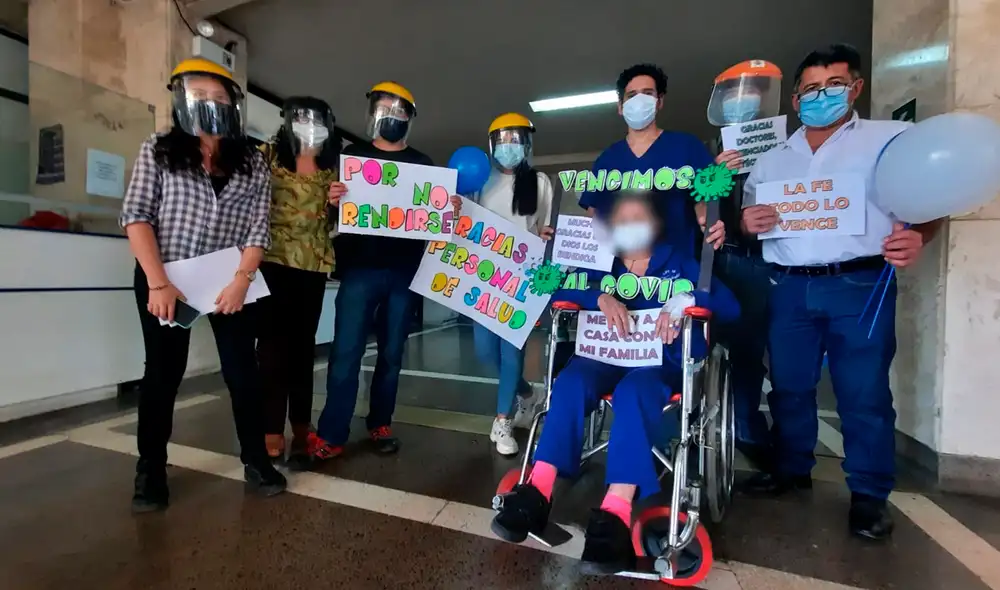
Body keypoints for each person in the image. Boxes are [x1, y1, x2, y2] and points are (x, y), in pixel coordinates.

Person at [739, 44, 942, 540]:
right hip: (788, 287)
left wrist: (922, 234)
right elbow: (748, 220)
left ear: (855, 88)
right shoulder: (770, 160)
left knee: (863, 392)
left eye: (832, 85)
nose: (820, 96)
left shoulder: (891, 140)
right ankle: (792, 470)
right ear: (794, 99)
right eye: (810, 88)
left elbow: (932, 198)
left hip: (860, 283)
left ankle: (870, 496)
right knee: (788, 386)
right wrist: (747, 222)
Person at [491, 191, 739, 574]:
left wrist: (686, 298)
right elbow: (553, 287)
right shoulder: (599, 261)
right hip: (603, 356)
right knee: (570, 382)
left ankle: (617, 511)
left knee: (633, 393)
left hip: (657, 364)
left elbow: (731, 306)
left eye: (638, 218)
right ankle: (538, 489)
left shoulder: (679, 261)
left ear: (656, 224)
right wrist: (599, 296)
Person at [119, 58, 286, 512]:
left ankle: (256, 460)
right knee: (163, 374)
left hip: (229, 279)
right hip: (164, 279)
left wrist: (241, 281)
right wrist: (158, 283)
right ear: (182, 103)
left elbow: (258, 230)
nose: (211, 106)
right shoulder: (157, 150)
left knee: (241, 371)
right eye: (200, 98)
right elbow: (136, 218)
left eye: (219, 98)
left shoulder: (252, 163)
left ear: (234, 105)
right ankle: (150, 470)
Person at [314, 82, 445, 459]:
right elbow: (332, 218)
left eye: (400, 110)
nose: (392, 116)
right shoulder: (352, 157)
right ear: (373, 112)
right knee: (346, 351)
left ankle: (380, 423)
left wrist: (446, 208)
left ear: (410, 119)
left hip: (405, 272)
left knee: (392, 352)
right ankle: (332, 433)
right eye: (384, 108)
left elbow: (433, 219)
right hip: (359, 270)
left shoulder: (423, 166)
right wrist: (332, 201)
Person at [707, 60, 785, 470]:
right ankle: (703, 428)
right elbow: (699, 209)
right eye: (735, 95)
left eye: (753, 93)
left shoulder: (781, 149)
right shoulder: (708, 153)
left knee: (753, 354)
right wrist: (717, 174)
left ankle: (748, 428)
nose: (744, 102)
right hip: (716, 261)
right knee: (705, 349)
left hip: (763, 263)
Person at [256, 96, 339, 466]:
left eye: (317, 119)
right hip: (270, 261)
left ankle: (302, 429)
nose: (309, 125)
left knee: (303, 349)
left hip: (313, 264)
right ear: (287, 122)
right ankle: (270, 428)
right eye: (301, 118)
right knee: (272, 349)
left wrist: (341, 204)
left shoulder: (335, 168)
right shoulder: (266, 156)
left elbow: (346, 222)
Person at [579, 63, 726, 255]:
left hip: (678, 269)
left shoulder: (687, 147)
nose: (639, 100)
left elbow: (706, 208)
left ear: (659, 101)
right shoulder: (606, 160)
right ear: (620, 106)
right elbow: (595, 217)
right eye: (632, 95)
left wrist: (714, 227)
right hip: (621, 273)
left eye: (647, 93)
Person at [474, 113, 555, 455]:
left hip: (520, 280)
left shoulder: (539, 183)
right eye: (503, 140)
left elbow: (545, 229)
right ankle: (526, 393)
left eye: (517, 139)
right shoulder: (479, 181)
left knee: (511, 352)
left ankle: (503, 420)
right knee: (484, 352)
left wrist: (546, 237)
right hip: (481, 278)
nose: (510, 146)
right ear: (492, 145)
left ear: (527, 144)